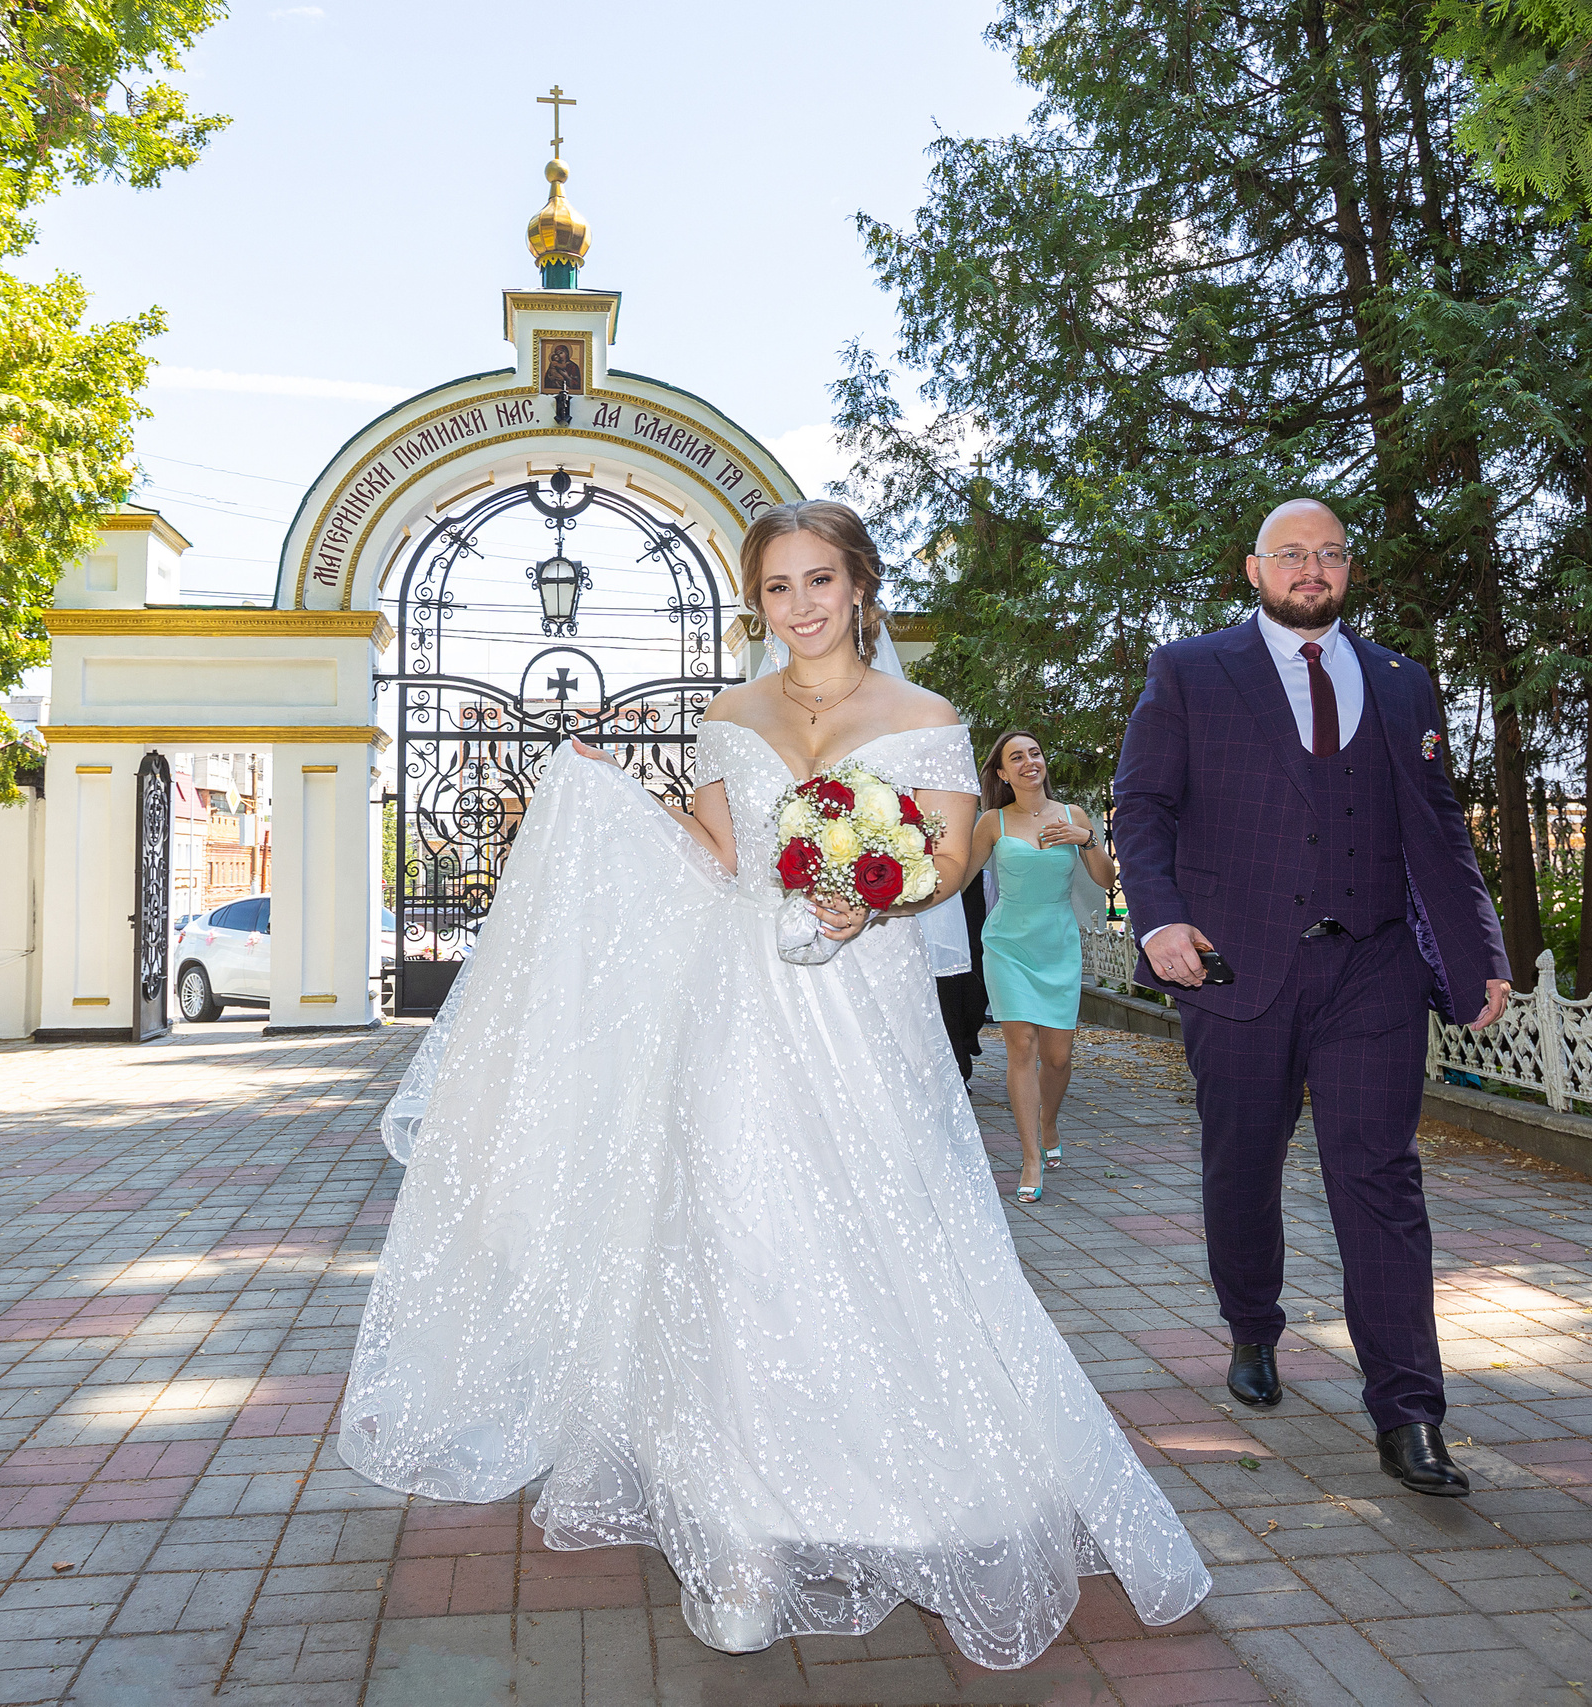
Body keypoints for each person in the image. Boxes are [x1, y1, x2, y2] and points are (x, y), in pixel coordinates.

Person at [343, 500, 1209, 1668]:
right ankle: (742, 1537)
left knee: (879, 1229)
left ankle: (909, 1492)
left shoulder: (926, 718)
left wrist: (876, 894)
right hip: (737, 1015)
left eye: (819, 581)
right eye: (777, 588)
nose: (799, 607)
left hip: (869, 1013)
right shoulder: (725, 716)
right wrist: (610, 799)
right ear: (759, 602)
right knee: (736, 1244)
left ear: (859, 586)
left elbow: (949, 865)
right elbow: (720, 862)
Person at [1110, 497, 1511, 1500]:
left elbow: (1440, 827)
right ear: (1253, 569)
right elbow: (1142, 807)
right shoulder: (1191, 672)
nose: (1311, 569)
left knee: (1379, 1181)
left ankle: (1409, 1414)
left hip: (1370, 970)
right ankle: (1252, 1325)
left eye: (1328, 554)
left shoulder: (1400, 681)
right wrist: (1157, 922)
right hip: (1235, 970)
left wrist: (1478, 950)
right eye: (1291, 554)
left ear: (1346, 570)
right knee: (1241, 1165)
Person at [964, 732, 1115, 1203]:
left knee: (1058, 1057)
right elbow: (957, 877)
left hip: (1058, 945)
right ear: (1003, 773)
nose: (1029, 762)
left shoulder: (1074, 816)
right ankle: (1030, 1156)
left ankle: (1048, 1121)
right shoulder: (993, 822)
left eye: (1035, 752)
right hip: (1008, 943)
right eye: (1016, 757)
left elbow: (1106, 880)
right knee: (1021, 1047)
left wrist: (1086, 839)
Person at [933, 853, 989, 1079]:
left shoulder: (982, 880)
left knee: (967, 1008)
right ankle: (959, 1067)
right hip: (932, 952)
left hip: (968, 960)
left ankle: (965, 1048)